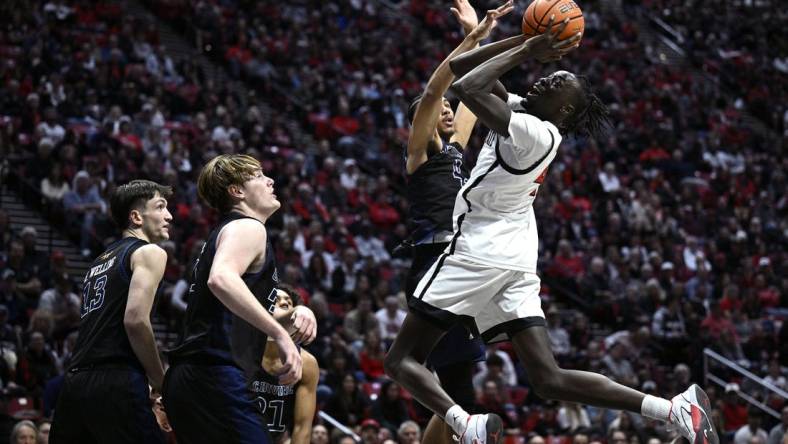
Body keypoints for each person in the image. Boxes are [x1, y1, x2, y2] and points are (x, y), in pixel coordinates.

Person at [384, 17, 718, 444]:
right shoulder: (526, 111)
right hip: (516, 255)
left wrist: (525, 49)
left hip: (479, 250)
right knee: (548, 379)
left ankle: (464, 424)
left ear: (563, 109)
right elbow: (467, 69)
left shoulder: (535, 132)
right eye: (548, 75)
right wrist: (512, 38)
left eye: (555, 82)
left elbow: (465, 87)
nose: (544, 80)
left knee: (400, 361)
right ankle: (673, 408)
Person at [402, 1, 514, 443]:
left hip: (460, 259)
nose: (447, 109)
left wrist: (483, 38)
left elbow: (468, 89)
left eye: (452, 106)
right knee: (456, 389)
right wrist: (469, 40)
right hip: (434, 258)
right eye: (440, 108)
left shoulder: (453, 151)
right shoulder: (418, 155)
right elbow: (434, 93)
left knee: (460, 388)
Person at [163, 154, 316, 444]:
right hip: (214, 374)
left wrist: (292, 315)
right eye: (258, 175)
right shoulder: (249, 227)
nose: (270, 180)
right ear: (237, 191)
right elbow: (221, 279)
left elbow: (236, 309)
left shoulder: (225, 233)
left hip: (189, 377)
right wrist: (280, 336)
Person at [50, 180, 173, 443]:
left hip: (74, 383)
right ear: (136, 216)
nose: (169, 215)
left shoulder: (98, 262)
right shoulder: (150, 252)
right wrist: (161, 380)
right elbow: (136, 320)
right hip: (116, 379)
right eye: (160, 207)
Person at [250, 284, 319, 444]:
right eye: (274, 300)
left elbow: (302, 428)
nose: (282, 304)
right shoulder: (240, 349)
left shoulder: (307, 363)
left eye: (287, 303)